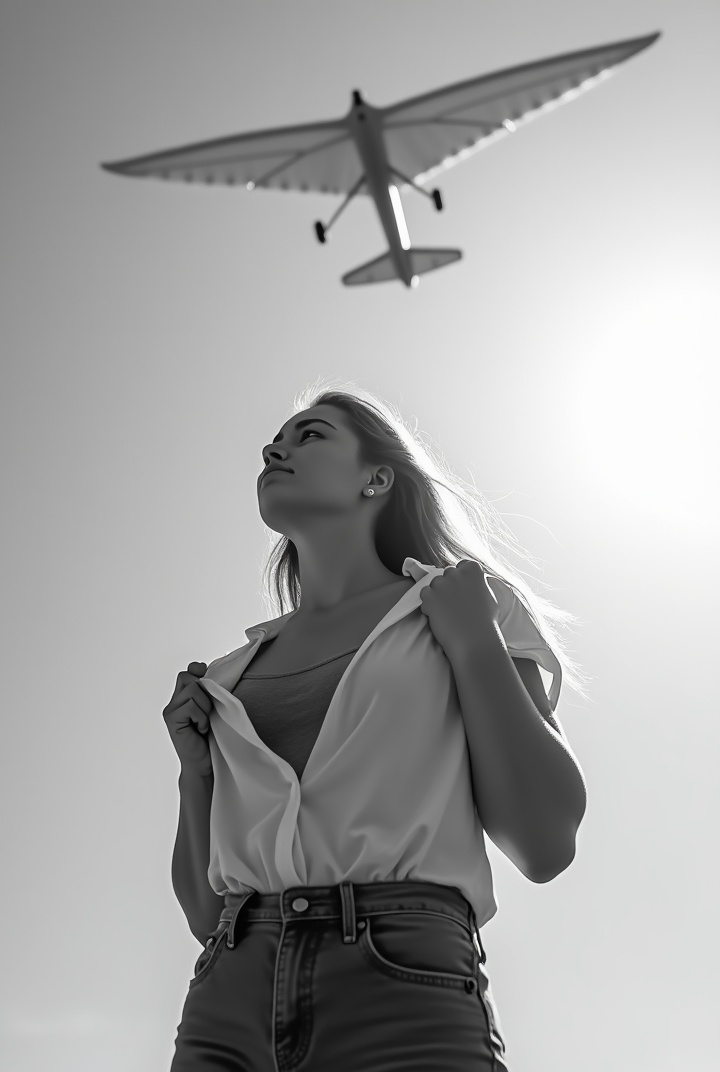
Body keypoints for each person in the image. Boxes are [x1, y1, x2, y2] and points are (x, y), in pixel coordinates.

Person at [164, 387, 589, 1071]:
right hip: (225, 1009)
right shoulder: (227, 677)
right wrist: (195, 772)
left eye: (311, 436)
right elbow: (205, 919)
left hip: (401, 988)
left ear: (377, 477)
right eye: (275, 441)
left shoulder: (464, 604)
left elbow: (545, 843)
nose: (275, 449)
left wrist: (475, 647)